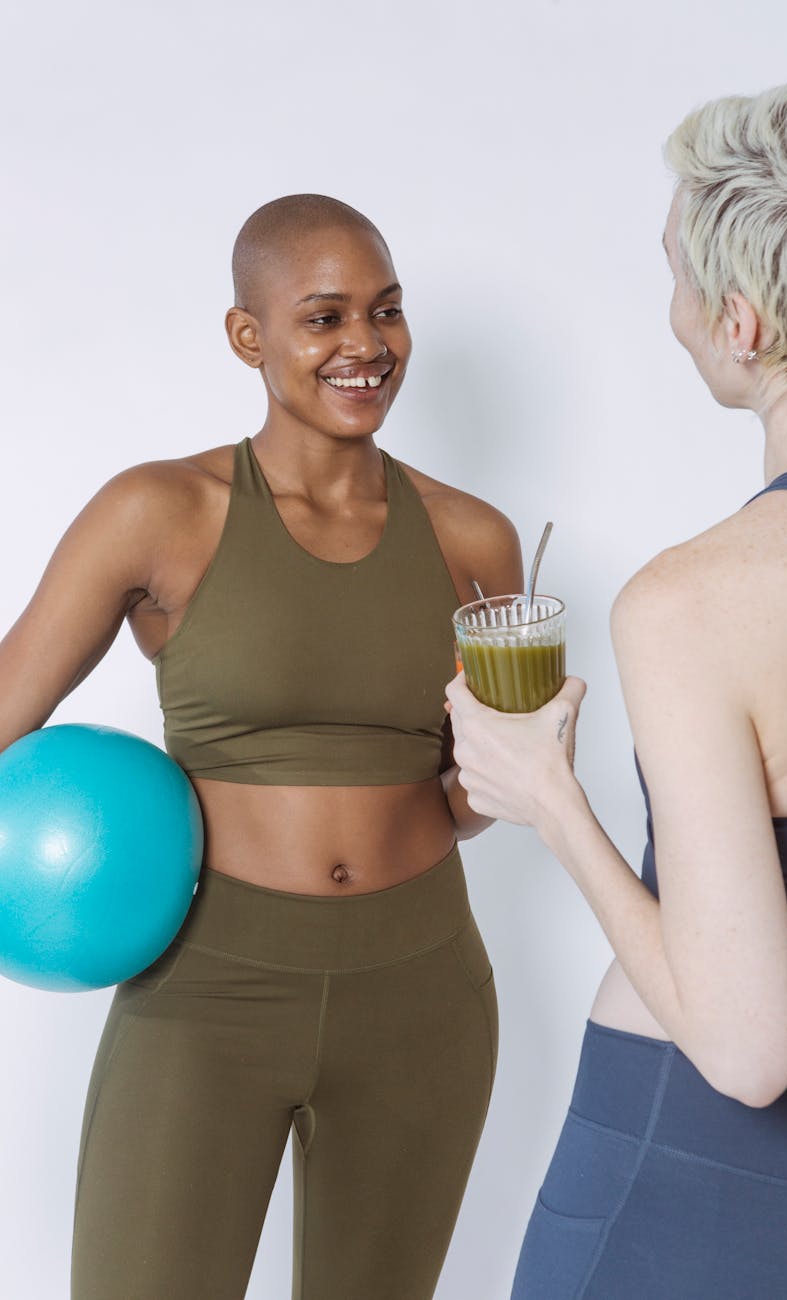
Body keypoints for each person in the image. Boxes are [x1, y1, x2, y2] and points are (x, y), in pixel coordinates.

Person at [0, 194, 522, 1299]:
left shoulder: (474, 538)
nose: (366, 346)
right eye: (324, 317)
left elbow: (467, 798)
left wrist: (515, 759)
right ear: (249, 337)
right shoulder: (160, 511)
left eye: (386, 313)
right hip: (206, 987)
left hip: (421, 989)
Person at [447, 78, 787, 1298]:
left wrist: (546, 797)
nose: (671, 310)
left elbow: (749, 1050)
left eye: (678, 275)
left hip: (690, 1171)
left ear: (741, 324)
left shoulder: (699, 598)